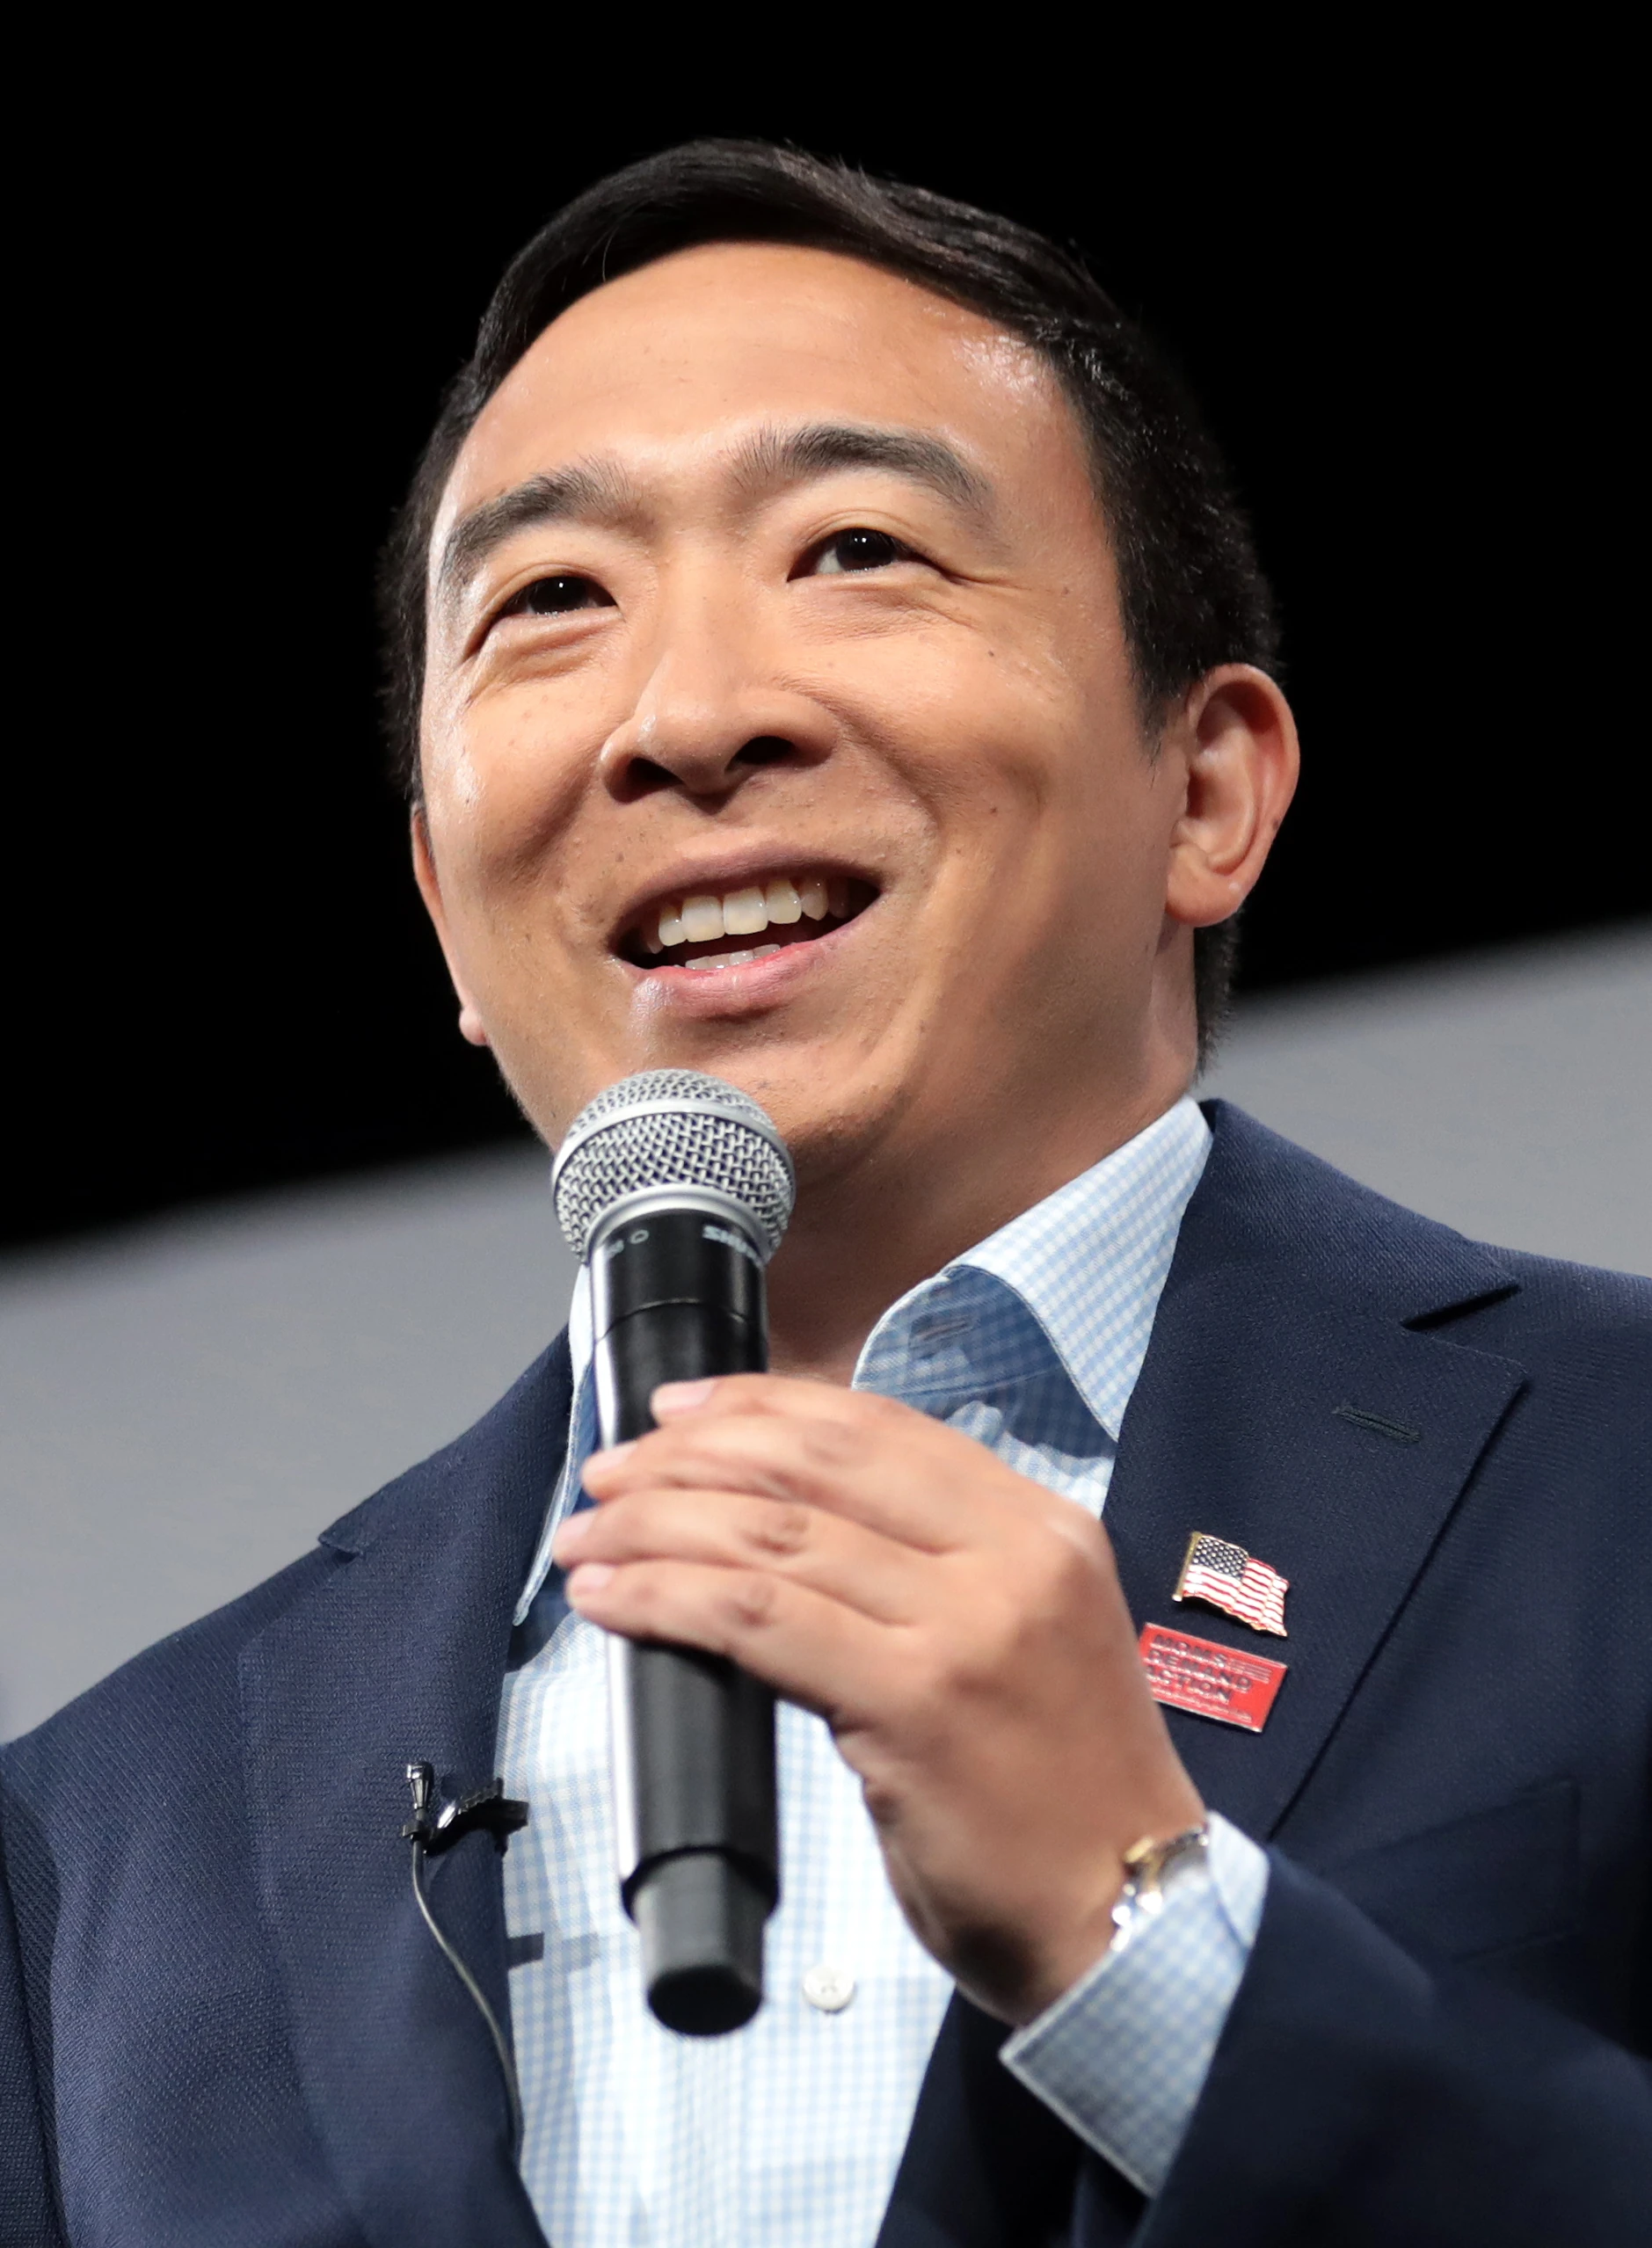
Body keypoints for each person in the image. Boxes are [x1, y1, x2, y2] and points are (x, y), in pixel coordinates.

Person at [2, 140, 1647, 2248]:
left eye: (858, 548)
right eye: (552, 601)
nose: (690, 717)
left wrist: (1147, 1946)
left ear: (1208, 789)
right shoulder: (95, 1848)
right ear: (441, 908)